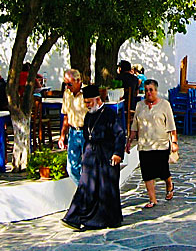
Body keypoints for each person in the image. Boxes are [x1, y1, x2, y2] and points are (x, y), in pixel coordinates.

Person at [62, 84, 126, 230]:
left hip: (107, 155)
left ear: (97, 99)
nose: (87, 105)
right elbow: (87, 135)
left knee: (106, 188)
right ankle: (73, 218)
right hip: (91, 155)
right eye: (85, 102)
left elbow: (120, 134)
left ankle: (108, 220)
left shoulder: (109, 114)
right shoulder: (89, 115)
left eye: (89, 102)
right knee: (86, 186)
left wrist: (117, 153)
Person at [126, 79, 177, 208]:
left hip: (161, 144)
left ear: (156, 91)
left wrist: (174, 142)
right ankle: (152, 199)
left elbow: (171, 125)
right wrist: (129, 141)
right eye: (146, 90)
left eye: (151, 90)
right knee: (147, 172)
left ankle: (169, 184)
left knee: (162, 171)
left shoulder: (164, 105)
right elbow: (134, 125)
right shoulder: (140, 105)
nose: (148, 93)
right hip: (144, 144)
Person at [59, 69, 87, 184]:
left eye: (70, 84)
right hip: (73, 132)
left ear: (78, 81)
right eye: (65, 84)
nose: (68, 86)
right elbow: (66, 115)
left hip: (86, 132)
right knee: (71, 168)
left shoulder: (87, 92)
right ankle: (85, 191)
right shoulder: (67, 93)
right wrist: (62, 136)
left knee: (87, 167)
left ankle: (87, 194)